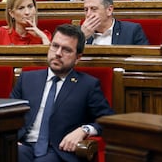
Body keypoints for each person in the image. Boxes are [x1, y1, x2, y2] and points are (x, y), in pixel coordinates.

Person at [10, 24, 114, 162]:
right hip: (25, 146)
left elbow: (107, 121)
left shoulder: (88, 85)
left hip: (59, 151)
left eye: (66, 50)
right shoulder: (27, 78)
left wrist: (84, 130)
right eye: (55, 46)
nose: (58, 53)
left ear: (78, 57)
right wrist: (10, 138)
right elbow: (9, 114)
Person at [81, 0, 149, 45]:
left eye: (94, 9)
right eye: (86, 10)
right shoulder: (79, 33)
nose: (88, 14)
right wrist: (82, 38)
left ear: (109, 10)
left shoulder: (131, 31)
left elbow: (145, 59)